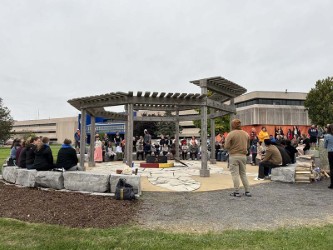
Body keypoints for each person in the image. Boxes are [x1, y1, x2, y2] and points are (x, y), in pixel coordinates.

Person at [224, 119, 251, 197]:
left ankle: (237, 191)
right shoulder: (246, 134)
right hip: (243, 156)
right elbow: (248, 146)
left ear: (232, 125)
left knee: (235, 174)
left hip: (234, 156)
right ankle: (247, 191)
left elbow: (226, 146)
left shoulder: (231, 134)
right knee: (243, 174)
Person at [324, 124, 333, 189]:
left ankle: (332, 184)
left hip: (331, 152)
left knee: (332, 168)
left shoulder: (327, 136)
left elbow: (325, 146)